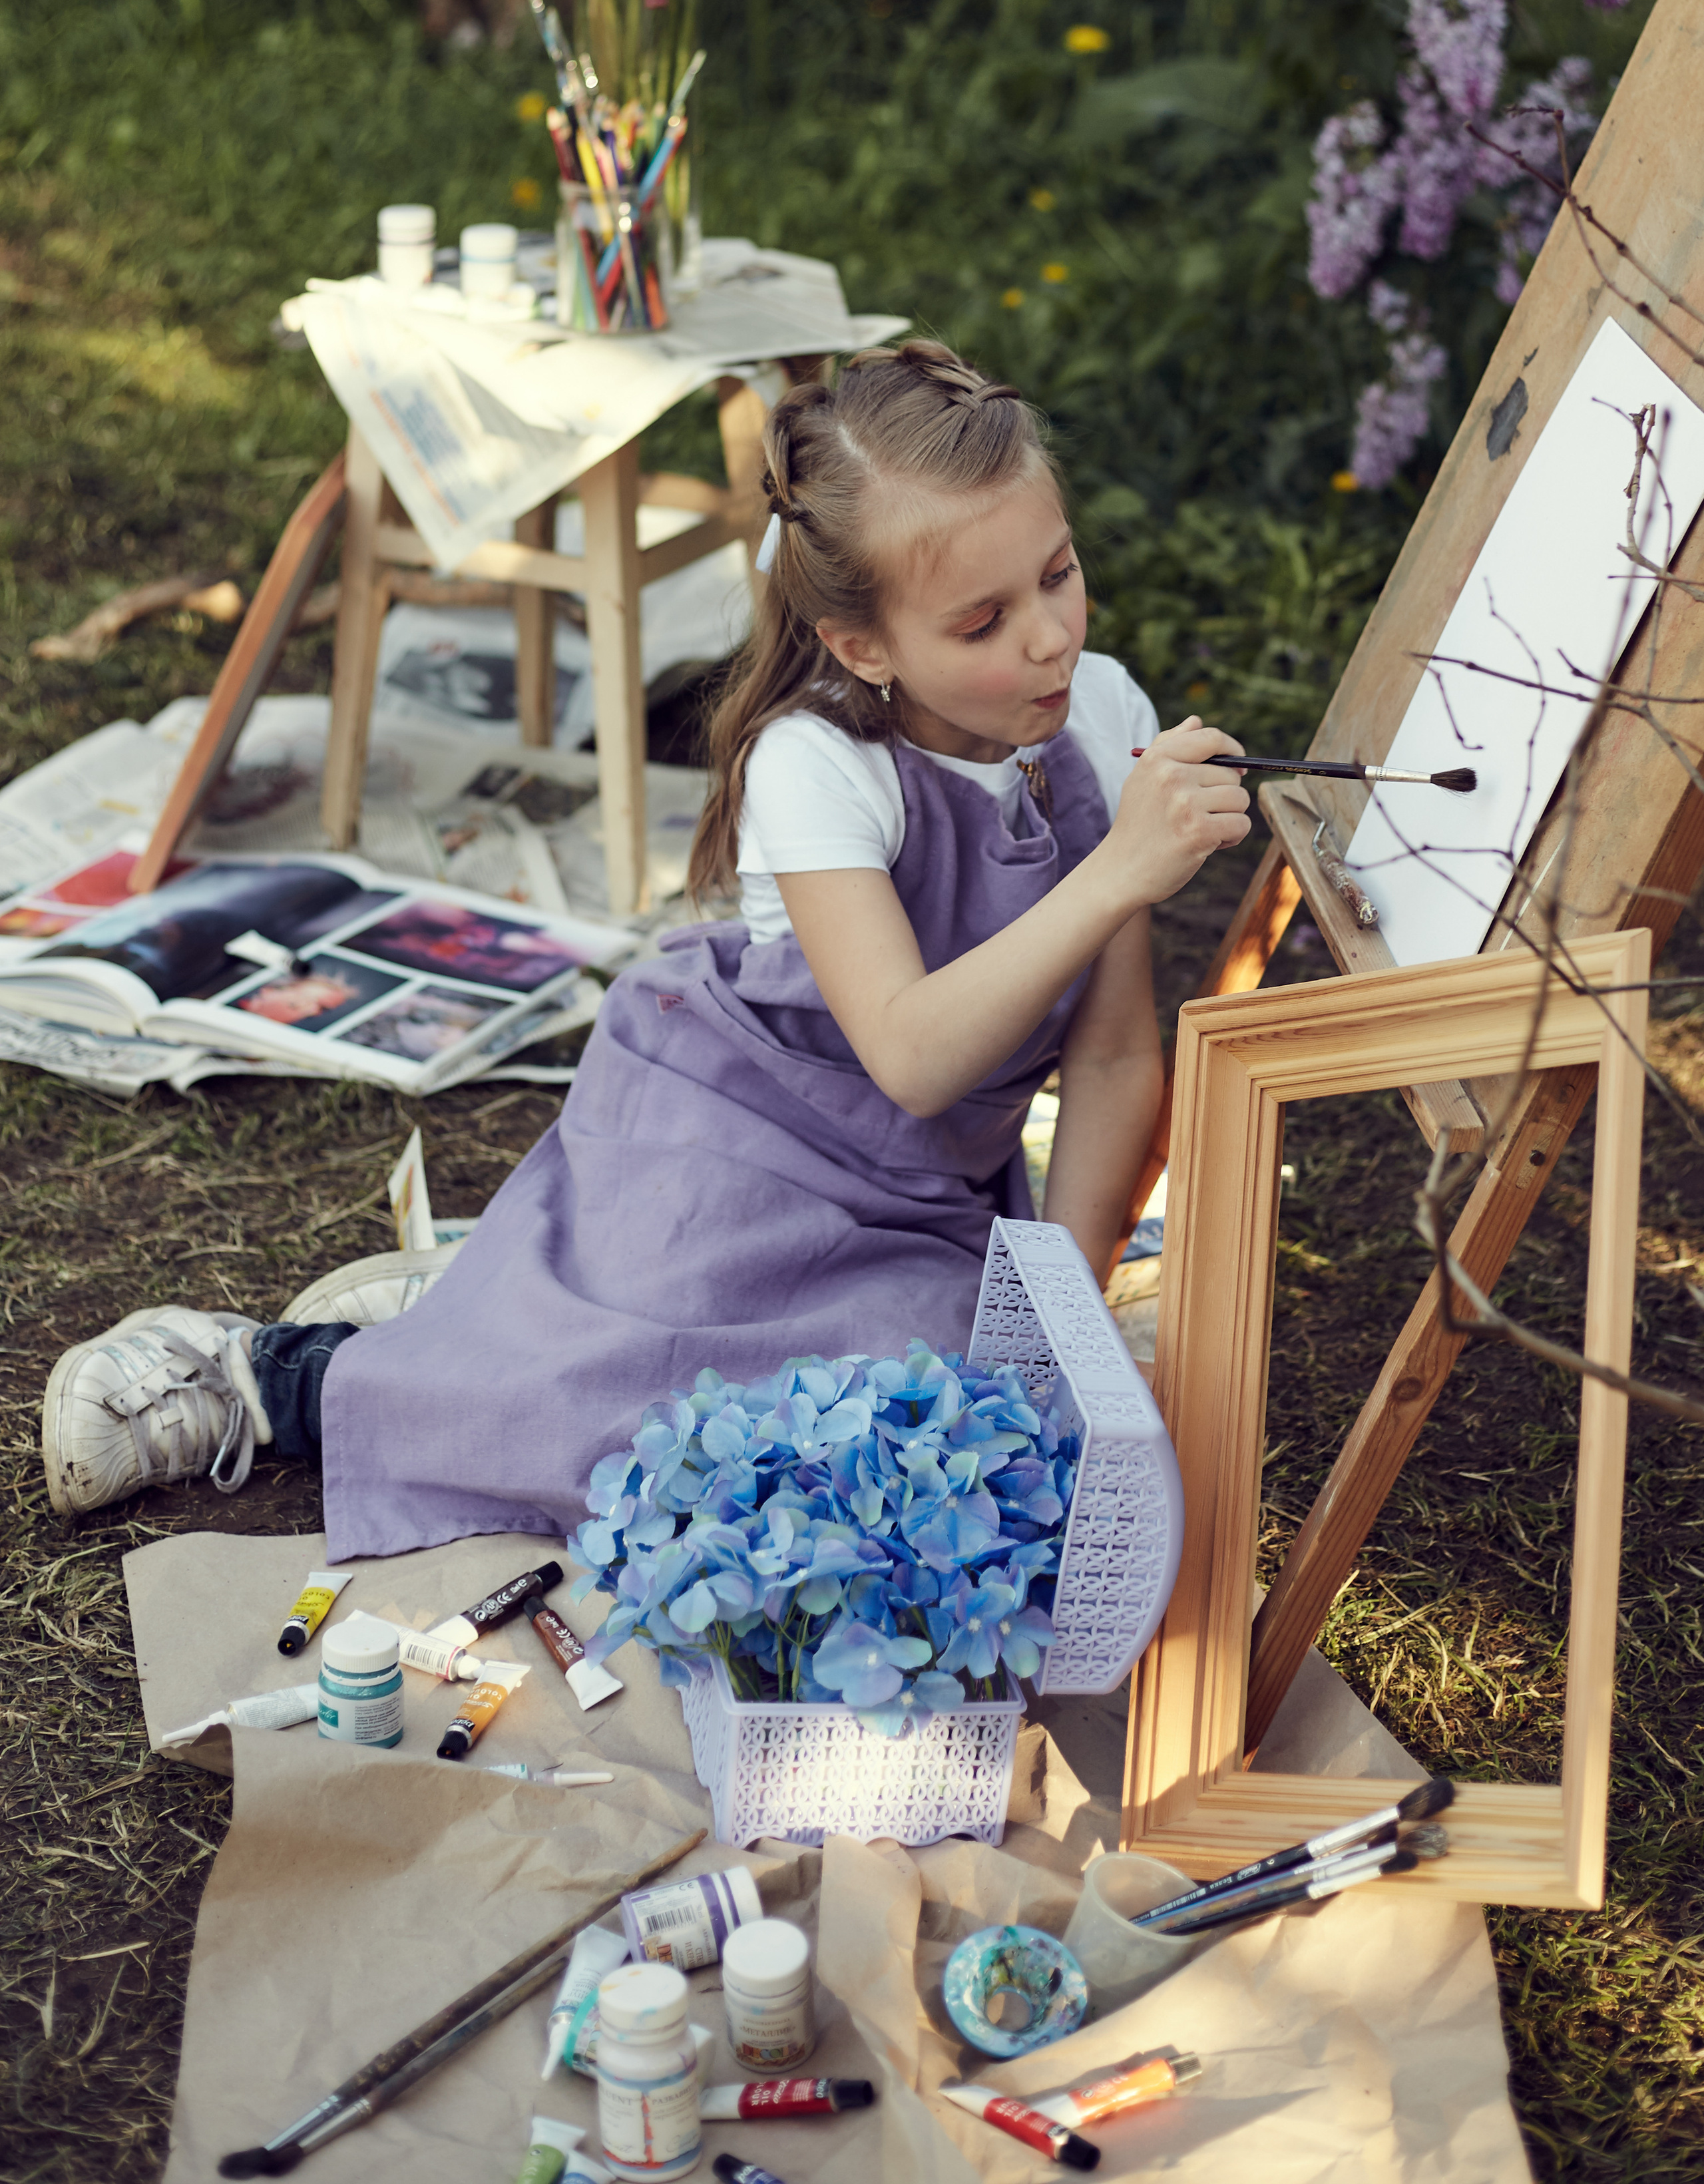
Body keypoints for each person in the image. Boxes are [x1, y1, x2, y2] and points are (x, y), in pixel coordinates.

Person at [41, 341, 1250, 1556]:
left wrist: (1055, 1325)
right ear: (861, 645)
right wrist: (1114, 876)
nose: (1048, 639)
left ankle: (497, 1304)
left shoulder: (1100, 716)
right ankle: (282, 1375)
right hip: (740, 1137)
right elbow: (913, 1056)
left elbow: (1106, 1064)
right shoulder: (818, 760)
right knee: (678, 1433)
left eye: (1060, 574)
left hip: (927, 1198)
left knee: (909, 1450)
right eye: (986, 619)